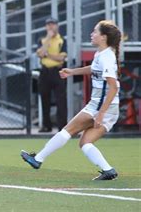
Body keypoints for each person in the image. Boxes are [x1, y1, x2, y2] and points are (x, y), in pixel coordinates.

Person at [21, 20, 121, 180]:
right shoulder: (101, 54)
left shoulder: (107, 56)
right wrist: (73, 72)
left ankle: (38, 159)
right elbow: (94, 69)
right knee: (84, 142)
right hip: (104, 106)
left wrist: (101, 113)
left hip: (102, 106)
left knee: (68, 130)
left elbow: (113, 87)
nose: (92, 34)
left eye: (95, 32)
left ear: (103, 37)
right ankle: (108, 170)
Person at [36, 17, 68, 133]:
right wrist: (48, 39)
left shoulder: (62, 40)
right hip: (45, 72)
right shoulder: (42, 40)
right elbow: (40, 54)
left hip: (57, 71)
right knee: (44, 99)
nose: (50, 27)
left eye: (53, 24)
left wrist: (47, 55)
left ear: (57, 26)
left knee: (61, 100)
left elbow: (61, 58)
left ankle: (62, 126)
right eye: (48, 24)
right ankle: (46, 125)